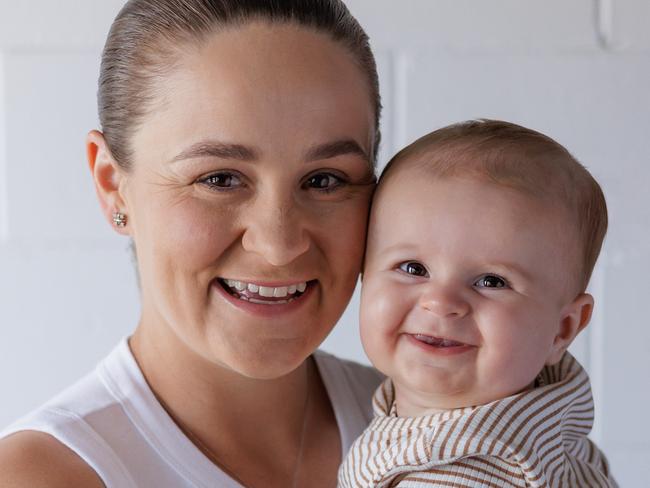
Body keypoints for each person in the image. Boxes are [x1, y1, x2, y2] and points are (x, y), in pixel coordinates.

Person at [0, 1, 384, 487]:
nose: (279, 244)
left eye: (325, 180)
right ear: (112, 184)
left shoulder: (448, 434)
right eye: (220, 178)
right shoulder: (41, 476)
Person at [339, 120, 618, 487]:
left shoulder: (459, 477)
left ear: (562, 328)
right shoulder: (552, 422)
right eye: (413, 268)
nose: (440, 302)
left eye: (491, 281)